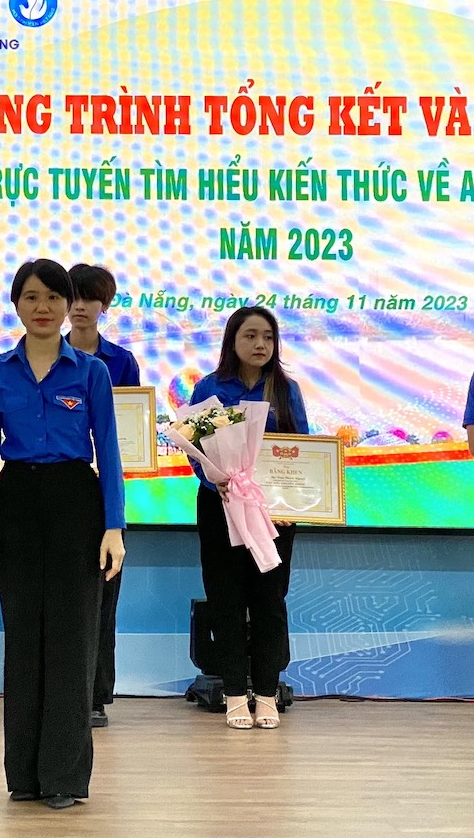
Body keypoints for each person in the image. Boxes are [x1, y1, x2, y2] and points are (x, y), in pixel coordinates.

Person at [0, 259, 126, 810]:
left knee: (73, 640)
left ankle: (64, 776)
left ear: (67, 305)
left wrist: (114, 526)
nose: (43, 307)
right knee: (23, 638)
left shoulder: (91, 372)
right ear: (16, 304)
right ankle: (25, 776)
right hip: (14, 501)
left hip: (76, 502)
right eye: (32, 297)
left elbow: (109, 451)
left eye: (54, 298)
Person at [189, 305, 308, 731]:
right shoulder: (209, 387)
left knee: (269, 602)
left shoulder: (286, 390)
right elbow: (195, 450)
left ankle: (267, 694)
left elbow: (303, 450)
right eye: (251, 336)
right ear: (232, 341)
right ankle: (236, 694)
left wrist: (292, 502)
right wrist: (214, 479)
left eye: (268, 337)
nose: (260, 344)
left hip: (272, 513)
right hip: (219, 507)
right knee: (225, 600)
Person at [65, 263, 141, 730]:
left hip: (105, 490)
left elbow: (127, 430)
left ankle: (95, 695)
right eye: (73, 296)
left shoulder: (122, 362)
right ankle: (61, 690)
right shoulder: (44, 355)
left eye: (89, 297)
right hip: (62, 485)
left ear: (104, 305)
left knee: (102, 597)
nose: (80, 306)